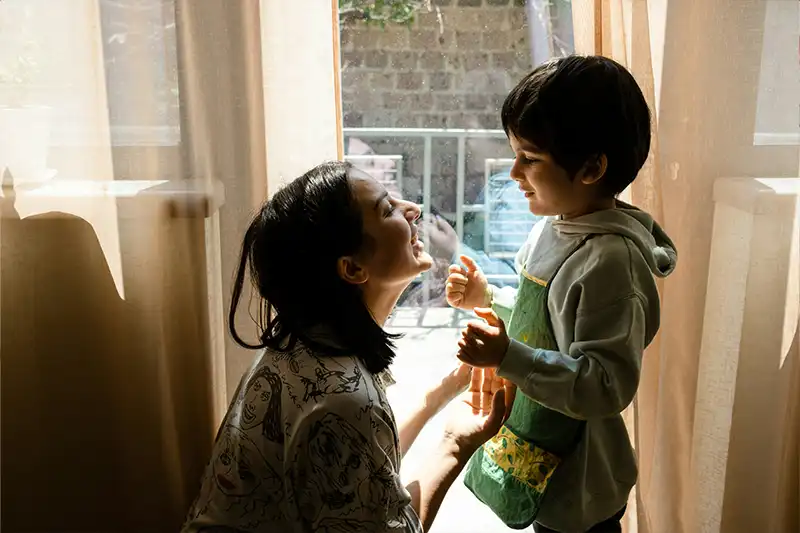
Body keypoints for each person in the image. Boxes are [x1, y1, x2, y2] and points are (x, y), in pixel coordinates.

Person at [181, 161, 509, 533]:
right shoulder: (345, 397)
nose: (413, 209)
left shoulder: (299, 343)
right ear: (352, 269)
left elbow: (356, 471)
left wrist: (440, 395)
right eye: (387, 209)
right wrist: (455, 444)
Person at [445, 55, 678, 533]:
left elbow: (605, 385)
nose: (514, 171)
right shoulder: (554, 228)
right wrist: (490, 299)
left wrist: (507, 356)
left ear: (591, 167)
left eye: (530, 158)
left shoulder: (611, 263)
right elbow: (546, 320)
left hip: (580, 484)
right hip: (540, 454)